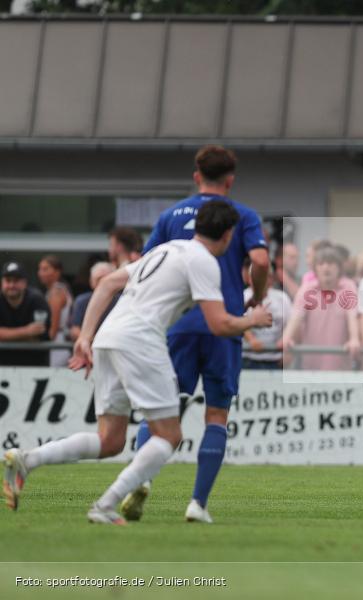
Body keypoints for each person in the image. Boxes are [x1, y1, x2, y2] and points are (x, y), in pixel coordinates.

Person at [2, 201, 272, 523]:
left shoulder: (166, 249)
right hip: (140, 342)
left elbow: (107, 284)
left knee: (110, 440)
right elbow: (218, 324)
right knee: (169, 435)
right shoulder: (205, 262)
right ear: (229, 235)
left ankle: (27, 460)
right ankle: (105, 504)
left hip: (108, 336)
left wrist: (85, 336)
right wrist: (251, 319)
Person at [123, 145, 270, 525]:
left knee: (160, 410)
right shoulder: (243, 215)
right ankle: (197, 504)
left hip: (180, 326)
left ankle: (143, 481)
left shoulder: (172, 214)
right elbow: (260, 260)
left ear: (196, 176)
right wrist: (258, 296)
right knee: (217, 414)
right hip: (225, 325)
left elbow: (145, 265)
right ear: (231, 179)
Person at [283, 247, 361, 371]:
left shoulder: (348, 286)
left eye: (330, 263)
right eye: (321, 264)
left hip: (340, 366)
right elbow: (296, 317)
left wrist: (354, 339)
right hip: (311, 366)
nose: (326, 267)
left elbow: (352, 316)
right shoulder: (307, 289)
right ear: (315, 269)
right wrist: (287, 338)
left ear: (339, 268)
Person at [241, 261, 291, 370]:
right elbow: (236, 320)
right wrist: (251, 340)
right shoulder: (242, 297)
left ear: (271, 279)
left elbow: (290, 325)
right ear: (249, 279)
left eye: (264, 276)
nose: (260, 280)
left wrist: (286, 341)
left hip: (275, 360)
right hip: (248, 358)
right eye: (255, 276)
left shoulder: (282, 298)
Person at [0, 261, 51, 367]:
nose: (11, 285)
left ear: (24, 283)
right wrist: (27, 331)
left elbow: (38, 335)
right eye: (8, 281)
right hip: (3, 365)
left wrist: (6, 335)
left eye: (16, 281)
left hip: (34, 366)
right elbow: (31, 333)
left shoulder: (37, 299)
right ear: (2, 282)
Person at [37, 255, 73, 367]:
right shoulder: (57, 289)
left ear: (57, 272)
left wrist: (44, 344)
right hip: (60, 341)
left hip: (57, 344)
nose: (40, 273)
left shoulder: (56, 292)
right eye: (40, 269)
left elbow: (53, 327)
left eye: (45, 269)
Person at [69, 261, 115, 341]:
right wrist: (92, 340)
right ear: (91, 282)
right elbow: (74, 330)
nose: (102, 283)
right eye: (98, 279)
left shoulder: (122, 299)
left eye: (106, 279)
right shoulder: (82, 301)